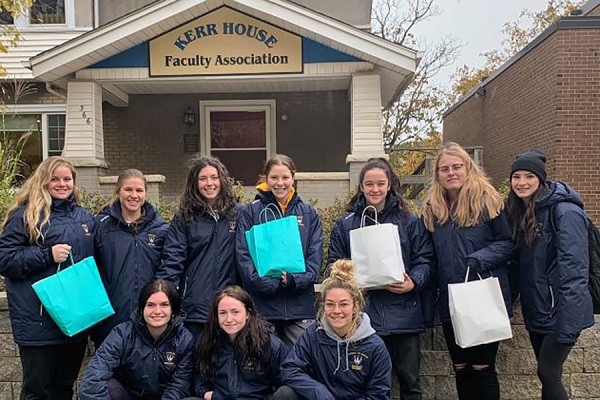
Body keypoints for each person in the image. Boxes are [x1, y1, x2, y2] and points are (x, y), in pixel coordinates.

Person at [327, 157, 434, 400]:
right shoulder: (345, 225)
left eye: (380, 184)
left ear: (390, 185)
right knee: (366, 385)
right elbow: (333, 265)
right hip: (364, 316)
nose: (375, 189)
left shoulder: (410, 220)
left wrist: (413, 282)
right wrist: (348, 281)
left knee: (410, 383)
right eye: (369, 184)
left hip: (404, 315)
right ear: (361, 187)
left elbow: (426, 260)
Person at [422, 142, 513, 400]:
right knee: (460, 368)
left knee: (482, 368)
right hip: (451, 299)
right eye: (444, 169)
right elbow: (430, 256)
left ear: (468, 168)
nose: (451, 173)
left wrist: (480, 259)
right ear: (437, 175)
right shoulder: (432, 208)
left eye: (457, 167)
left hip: (483, 295)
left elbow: (508, 244)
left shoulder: (489, 200)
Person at [0, 156, 94, 399]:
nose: (62, 184)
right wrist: (46, 255)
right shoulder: (25, 215)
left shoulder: (83, 217)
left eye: (67, 179)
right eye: (55, 179)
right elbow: (5, 259)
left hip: (74, 319)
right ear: (43, 181)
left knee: (64, 387)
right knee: (38, 390)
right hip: (38, 321)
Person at [506, 149, 594, 400]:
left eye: (529, 176)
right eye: (516, 177)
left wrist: (568, 324)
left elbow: (575, 271)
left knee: (549, 372)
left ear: (541, 180)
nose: (521, 183)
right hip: (539, 311)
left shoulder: (565, 212)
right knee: (546, 375)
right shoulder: (522, 211)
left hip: (561, 312)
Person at [236, 154, 322, 346]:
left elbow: (314, 262)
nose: (280, 183)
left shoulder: (308, 214)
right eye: (274, 178)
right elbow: (243, 255)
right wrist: (262, 283)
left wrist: (293, 281)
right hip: (263, 306)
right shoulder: (250, 212)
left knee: (301, 363)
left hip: (299, 307)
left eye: (285, 177)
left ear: (293, 178)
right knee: (266, 365)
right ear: (266, 178)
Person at [279, 259, 392, 400]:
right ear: (323, 305)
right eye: (330, 304)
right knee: (285, 393)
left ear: (355, 306)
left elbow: (379, 394)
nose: (336, 311)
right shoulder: (313, 334)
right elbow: (289, 369)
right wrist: (319, 392)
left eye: (343, 304)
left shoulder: (375, 346)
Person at [157, 156, 241, 340]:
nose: (209, 183)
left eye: (214, 177)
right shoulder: (184, 218)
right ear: (194, 183)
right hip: (195, 308)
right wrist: (163, 299)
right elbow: (173, 261)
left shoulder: (238, 214)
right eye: (203, 179)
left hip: (231, 308)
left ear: (222, 180)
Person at [79, 279, 195, 400]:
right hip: (126, 396)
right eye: (150, 305)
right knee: (109, 386)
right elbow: (93, 378)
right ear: (141, 308)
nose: (157, 311)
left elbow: (179, 387)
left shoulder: (184, 339)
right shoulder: (122, 334)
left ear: (173, 310)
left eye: (164, 305)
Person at [92, 169, 169, 348]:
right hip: (109, 318)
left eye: (139, 190)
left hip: (148, 318)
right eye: (128, 190)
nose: (134, 195)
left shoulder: (161, 229)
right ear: (118, 192)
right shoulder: (101, 227)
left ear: (145, 194)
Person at [188, 285, 289, 400]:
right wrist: (206, 394)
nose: (229, 319)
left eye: (235, 312)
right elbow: (200, 378)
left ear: (247, 313)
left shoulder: (269, 344)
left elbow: (285, 383)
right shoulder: (208, 342)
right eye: (223, 313)